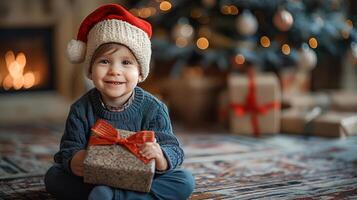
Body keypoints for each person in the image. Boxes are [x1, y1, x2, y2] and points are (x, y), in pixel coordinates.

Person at [44, 4, 195, 200]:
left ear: (140, 72)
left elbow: (174, 150)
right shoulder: (81, 109)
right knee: (53, 177)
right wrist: (74, 159)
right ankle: (110, 194)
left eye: (126, 62)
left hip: (141, 178)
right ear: (90, 69)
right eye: (104, 61)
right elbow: (67, 149)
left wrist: (160, 156)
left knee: (185, 180)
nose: (115, 70)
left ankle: (116, 196)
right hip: (96, 178)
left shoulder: (154, 108)